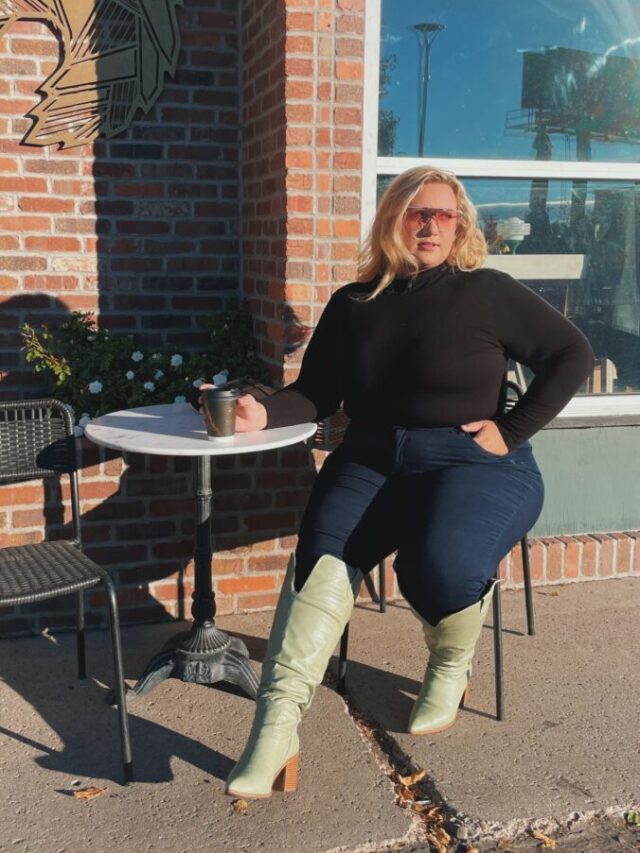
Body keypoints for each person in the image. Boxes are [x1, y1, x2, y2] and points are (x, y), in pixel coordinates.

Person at [216, 166, 594, 800]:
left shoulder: (487, 291)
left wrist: (513, 428)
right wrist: (262, 412)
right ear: (392, 217)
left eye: (444, 214)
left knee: (437, 565)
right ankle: (274, 730)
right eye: (417, 211)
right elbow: (316, 393)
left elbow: (572, 354)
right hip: (371, 458)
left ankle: (450, 663)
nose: (429, 224)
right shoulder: (354, 303)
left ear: (461, 227)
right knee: (319, 566)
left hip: (476, 460)